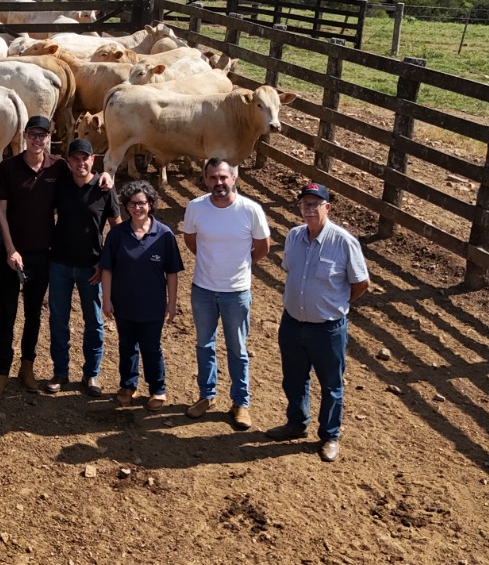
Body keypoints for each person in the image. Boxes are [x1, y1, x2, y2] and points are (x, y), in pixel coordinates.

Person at [0, 115, 112, 400]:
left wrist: (107, 176)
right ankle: (2, 372)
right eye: (32, 134)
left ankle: (27, 368)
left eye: (42, 135)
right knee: (7, 314)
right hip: (12, 255)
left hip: (43, 254)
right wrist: (9, 250)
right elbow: (1, 212)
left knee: (34, 315)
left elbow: (86, 176)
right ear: (24, 135)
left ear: (48, 138)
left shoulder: (58, 166)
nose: (37, 140)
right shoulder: (8, 167)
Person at [266, 183, 370, 463]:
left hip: (327, 327)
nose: (309, 209)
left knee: (331, 384)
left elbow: (361, 283)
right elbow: (290, 271)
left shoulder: (344, 241)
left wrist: (336, 303)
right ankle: (296, 423)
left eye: (315, 204)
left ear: (328, 207)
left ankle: (329, 435)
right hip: (292, 322)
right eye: (304, 204)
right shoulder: (293, 236)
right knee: (294, 377)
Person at [180, 158, 271, 431]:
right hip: (204, 289)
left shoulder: (250, 210)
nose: (218, 183)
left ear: (234, 178)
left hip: (236, 291)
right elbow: (190, 240)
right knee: (204, 345)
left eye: (223, 177)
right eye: (212, 178)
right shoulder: (196, 207)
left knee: (238, 349)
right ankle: (206, 395)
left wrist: (240, 265)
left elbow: (263, 246)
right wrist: (212, 262)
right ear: (205, 180)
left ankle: (240, 402)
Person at [45, 138, 120, 396]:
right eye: (75, 158)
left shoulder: (104, 190)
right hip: (60, 263)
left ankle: (91, 375)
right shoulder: (61, 185)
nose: (81, 163)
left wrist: (105, 261)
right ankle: (61, 372)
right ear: (69, 161)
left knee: (94, 322)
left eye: (85, 158)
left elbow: (117, 228)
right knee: (58, 319)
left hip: (92, 267)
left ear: (93, 160)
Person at [100, 180, 182, 411]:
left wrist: (172, 303)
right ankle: (128, 385)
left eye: (142, 203)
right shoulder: (117, 235)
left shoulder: (164, 235)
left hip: (153, 305)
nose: (138, 208)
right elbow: (107, 269)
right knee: (126, 345)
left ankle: (157, 388)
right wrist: (106, 299)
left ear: (151, 204)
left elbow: (172, 272)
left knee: (151, 347)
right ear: (126, 206)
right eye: (133, 203)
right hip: (123, 302)